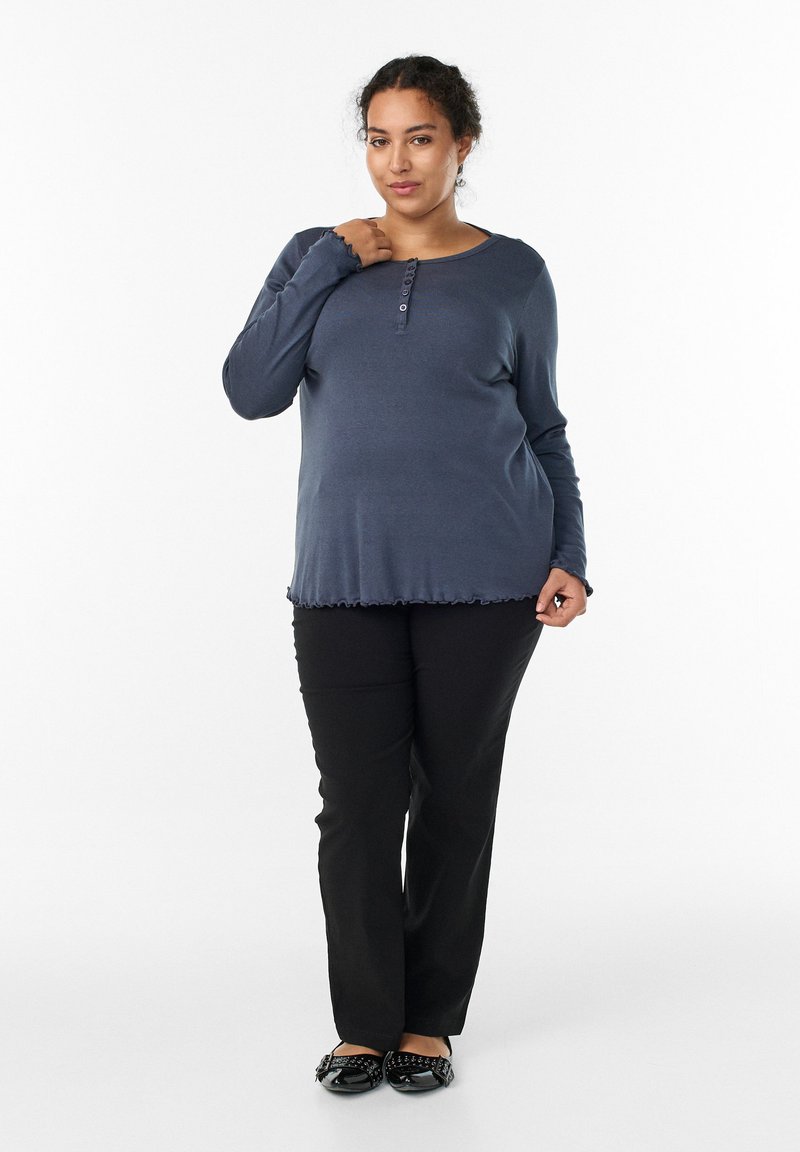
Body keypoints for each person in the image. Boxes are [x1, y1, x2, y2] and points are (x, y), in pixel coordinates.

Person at [221, 54, 594, 1095]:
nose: (398, 161)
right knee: (356, 806)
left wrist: (569, 552)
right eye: (378, 139)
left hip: (489, 580)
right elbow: (250, 388)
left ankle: (427, 1022)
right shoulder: (316, 255)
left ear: (460, 147)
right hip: (341, 578)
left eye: (420, 138)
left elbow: (545, 426)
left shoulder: (514, 272)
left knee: (454, 799)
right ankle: (364, 1024)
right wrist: (329, 264)